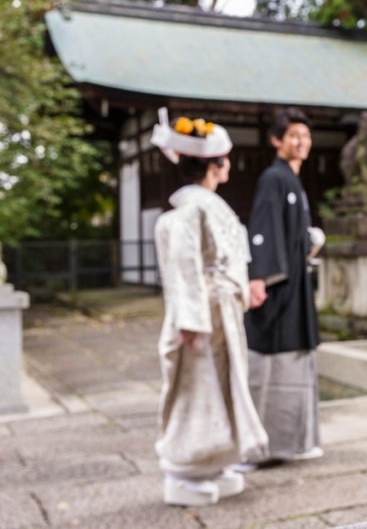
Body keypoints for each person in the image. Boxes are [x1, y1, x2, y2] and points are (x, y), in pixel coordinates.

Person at [151, 109, 268, 506]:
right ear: (215, 165)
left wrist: (242, 289)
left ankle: (217, 459)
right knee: (198, 386)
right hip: (203, 313)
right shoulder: (191, 209)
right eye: (226, 158)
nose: (229, 164)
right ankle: (184, 468)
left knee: (224, 383)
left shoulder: (206, 205)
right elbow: (185, 266)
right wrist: (189, 319)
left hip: (220, 308)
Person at [242, 107, 325, 467]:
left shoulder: (291, 180)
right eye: (294, 135)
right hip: (280, 288)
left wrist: (309, 239)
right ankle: (261, 445)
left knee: (295, 358)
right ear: (277, 140)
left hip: (296, 286)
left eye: (305, 136)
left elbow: (290, 235)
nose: (301, 141)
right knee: (270, 360)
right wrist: (259, 277)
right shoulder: (274, 178)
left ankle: (292, 442)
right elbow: (263, 228)